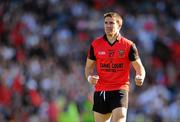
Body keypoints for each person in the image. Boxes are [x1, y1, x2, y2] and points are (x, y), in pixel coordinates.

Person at [85, 12, 146, 122]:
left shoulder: (128, 45)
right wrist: (90, 78)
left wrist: (140, 76)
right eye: (106, 23)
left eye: (111, 23)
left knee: (120, 117)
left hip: (120, 89)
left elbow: (139, 67)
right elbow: (88, 67)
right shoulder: (95, 44)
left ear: (119, 25)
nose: (108, 25)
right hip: (101, 90)